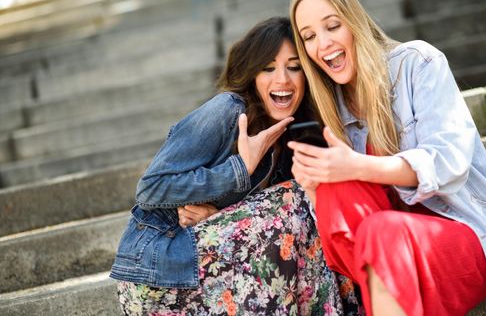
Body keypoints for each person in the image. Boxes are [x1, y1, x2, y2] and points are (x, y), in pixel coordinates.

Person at [287, 0, 486, 316]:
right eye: (308, 37)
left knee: (381, 232)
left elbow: (449, 161)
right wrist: (314, 188)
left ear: (354, 22)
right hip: (388, 254)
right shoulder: (330, 109)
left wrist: (358, 166)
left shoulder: (417, 63)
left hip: (464, 237)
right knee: (337, 194)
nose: (322, 44)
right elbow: (342, 231)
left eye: (332, 26)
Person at [110, 17, 363, 315]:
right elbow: (150, 188)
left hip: (211, 264)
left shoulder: (290, 134)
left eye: (294, 67)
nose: (282, 79)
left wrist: (218, 217)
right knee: (294, 199)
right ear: (252, 75)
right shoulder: (228, 110)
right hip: (160, 269)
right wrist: (239, 168)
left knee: (314, 212)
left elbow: (251, 224)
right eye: (268, 68)